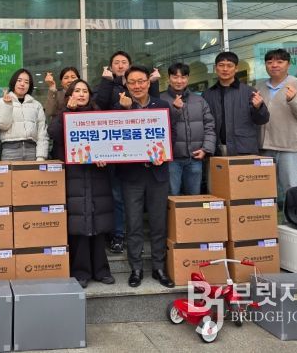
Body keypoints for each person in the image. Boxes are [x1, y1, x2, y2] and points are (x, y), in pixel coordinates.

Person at [48, 79, 115, 288]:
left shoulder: (99, 116)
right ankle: (81, 271)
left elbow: (111, 143)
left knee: (98, 222)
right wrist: (66, 112)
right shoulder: (63, 114)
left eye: (85, 91)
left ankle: (101, 270)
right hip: (74, 175)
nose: (81, 94)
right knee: (79, 224)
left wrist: (105, 158)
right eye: (76, 91)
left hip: (97, 175)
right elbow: (54, 133)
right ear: (69, 95)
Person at [94, 51, 160, 255]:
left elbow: (155, 113)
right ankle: (119, 235)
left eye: (124, 62)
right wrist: (106, 83)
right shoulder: (106, 85)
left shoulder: (139, 87)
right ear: (110, 66)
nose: (120, 65)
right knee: (117, 196)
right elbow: (100, 109)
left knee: (138, 199)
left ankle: (137, 238)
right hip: (115, 151)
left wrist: (154, 84)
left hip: (140, 154)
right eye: (116, 62)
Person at [115, 65, 174, 288]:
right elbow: (112, 138)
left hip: (157, 174)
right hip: (131, 176)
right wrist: (126, 110)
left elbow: (171, 134)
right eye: (132, 82)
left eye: (141, 81)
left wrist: (164, 154)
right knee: (134, 224)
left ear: (149, 83)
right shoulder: (118, 107)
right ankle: (136, 268)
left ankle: (159, 268)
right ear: (126, 85)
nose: (137, 86)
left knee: (159, 223)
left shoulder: (162, 106)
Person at [255, 48, 297, 200]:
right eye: (269, 62)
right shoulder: (259, 86)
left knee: (291, 189)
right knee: (264, 191)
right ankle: (270, 216)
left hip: (289, 148)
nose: (274, 65)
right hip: (264, 149)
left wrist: (294, 100)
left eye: (279, 61)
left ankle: (295, 215)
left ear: (288, 64)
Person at [160, 62, 216, 195]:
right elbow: (159, 128)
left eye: (183, 77)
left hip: (195, 158)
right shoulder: (160, 100)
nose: (179, 81)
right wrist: (175, 109)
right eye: (175, 77)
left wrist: (206, 149)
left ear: (188, 78)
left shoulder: (199, 100)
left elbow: (209, 126)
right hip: (171, 160)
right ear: (169, 78)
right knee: (172, 197)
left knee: (193, 197)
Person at [203, 52, 269, 156]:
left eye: (229, 66)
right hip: (215, 150)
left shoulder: (249, 92)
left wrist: (258, 107)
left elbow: (262, 120)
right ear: (215, 68)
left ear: (236, 68)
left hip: (243, 149)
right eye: (221, 65)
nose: (225, 69)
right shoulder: (207, 94)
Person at [0, 68, 49, 161]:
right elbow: (2, 125)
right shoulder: (0, 102)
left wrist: (41, 156)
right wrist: (7, 105)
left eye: (26, 82)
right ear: (13, 82)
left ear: (29, 86)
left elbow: (42, 132)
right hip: (10, 151)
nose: (22, 84)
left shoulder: (36, 105)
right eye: (19, 80)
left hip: (32, 151)